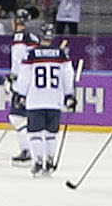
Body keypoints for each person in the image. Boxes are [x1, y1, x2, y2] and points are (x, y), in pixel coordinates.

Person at [9, 28, 75, 176]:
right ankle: (50, 162)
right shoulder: (61, 54)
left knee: (35, 133)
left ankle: (38, 162)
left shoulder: (31, 53)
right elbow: (68, 75)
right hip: (55, 100)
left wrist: (21, 94)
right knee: (51, 134)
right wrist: (69, 95)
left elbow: (25, 76)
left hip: (35, 100)